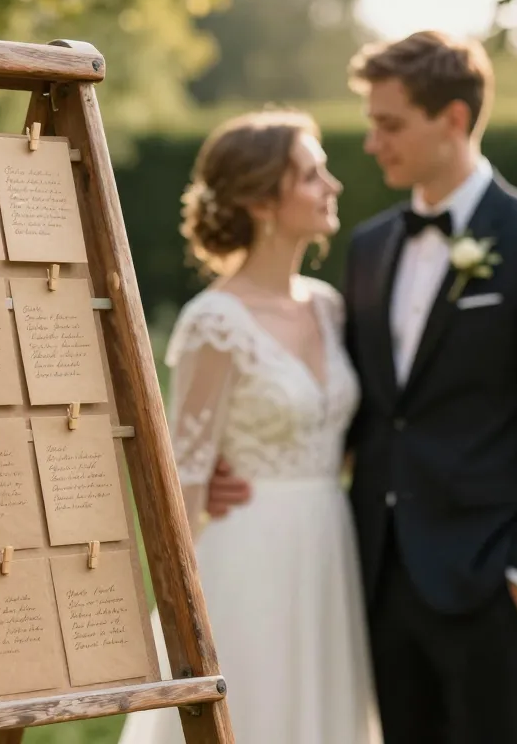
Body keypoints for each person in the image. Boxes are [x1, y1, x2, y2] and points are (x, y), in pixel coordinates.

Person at [207, 31, 517, 744]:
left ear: (452, 119)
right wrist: (235, 468)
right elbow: (354, 408)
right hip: (374, 580)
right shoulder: (370, 247)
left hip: (488, 585)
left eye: (389, 124)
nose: (371, 143)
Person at [117, 109, 382, 743]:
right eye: (312, 175)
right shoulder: (215, 322)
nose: (333, 186)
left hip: (328, 543)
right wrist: (177, 608)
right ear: (263, 200)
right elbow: (182, 480)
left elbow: (338, 430)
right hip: (249, 552)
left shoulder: (329, 307)